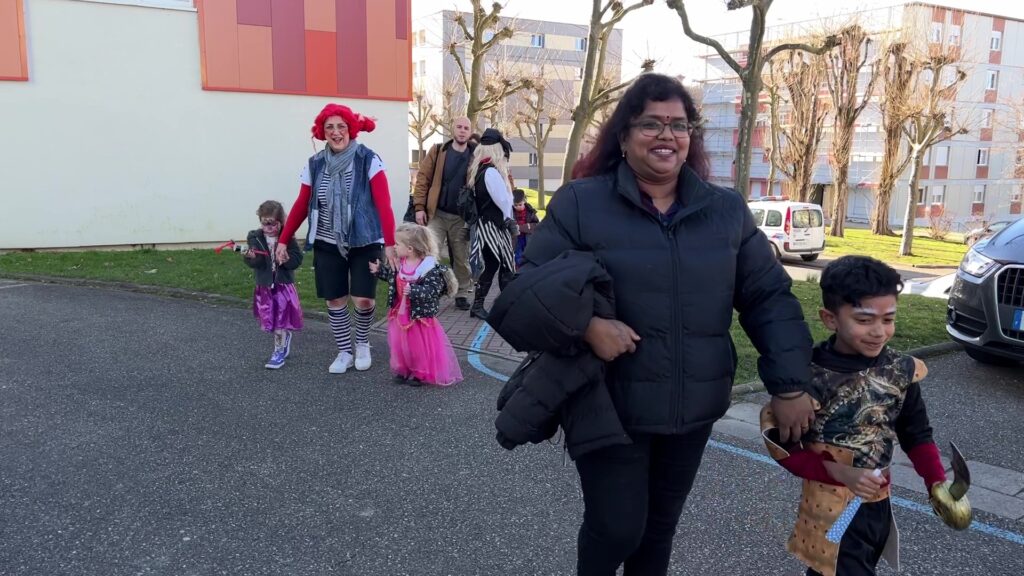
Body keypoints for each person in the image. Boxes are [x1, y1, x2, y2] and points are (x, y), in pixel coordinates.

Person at [505, 73, 815, 576]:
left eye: (679, 124)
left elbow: (768, 298)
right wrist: (587, 326)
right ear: (624, 136)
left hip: (691, 406)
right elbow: (527, 289)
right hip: (607, 402)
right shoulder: (581, 203)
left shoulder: (725, 211)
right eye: (651, 123)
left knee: (658, 531)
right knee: (617, 527)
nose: (667, 135)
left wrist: (790, 384)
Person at [760, 256, 967, 576]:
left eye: (888, 319)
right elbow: (783, 448)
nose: (879, 331)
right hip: (833, 511)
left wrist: (936, 482)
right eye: (865, 320)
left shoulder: (900, 371)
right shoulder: (807, 379)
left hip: (878, 508)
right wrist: (839, 473)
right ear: (830, 318)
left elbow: (916, 433)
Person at [277, 103, 397, 375]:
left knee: (363, 300)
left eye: (341, 126)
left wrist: (390, 243)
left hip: (364, 241)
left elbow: (383, 204)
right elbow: (301, 204)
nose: (336, 132)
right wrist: (284, 239)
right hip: (327, 241)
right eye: (329, 127)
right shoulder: (315, 163)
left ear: (351, 129)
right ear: (322, 131)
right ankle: (344, 350)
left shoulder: (368, 159)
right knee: (335, 299)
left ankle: (363, 342)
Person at [369, 222, 463, 387]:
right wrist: (379, 271)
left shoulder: (430, 268)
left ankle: (420, 372)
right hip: (400, 314)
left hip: (419, 317)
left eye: (397, 244)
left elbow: (432, 290)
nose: (394, 247)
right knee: (401, 345)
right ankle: (404, 369)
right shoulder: (401, 263)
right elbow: (392, 278)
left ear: (410, 248)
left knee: (418, 347)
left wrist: (413, 291)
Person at [413, 116, 476, 311]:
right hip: (437, 214)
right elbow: (423, 178)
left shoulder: (476, 153)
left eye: (466, 128)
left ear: (470, 131)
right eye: (459, 126)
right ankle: (429, 291)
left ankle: (463, 293)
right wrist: (419, 207)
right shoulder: (438, 151)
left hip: (460, 217)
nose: (462, 130)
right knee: (430, 254)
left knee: (461, 257)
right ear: (452, 129)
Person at [244, 200, 304, 369]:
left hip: (283, 286)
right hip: (265, 287)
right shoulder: (255, 237)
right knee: (271, 320)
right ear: (260, 221)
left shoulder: (287, 237)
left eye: (273, 224)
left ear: (281, 222)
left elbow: (297, 260)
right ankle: (283, 340)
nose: (269, 228)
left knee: (280, 321)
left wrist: (286, 260)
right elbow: (255, 263)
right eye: (265, 224)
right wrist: (251, 257)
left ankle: (278, 352)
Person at [466, 127, 517, 321]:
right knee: (497, 263)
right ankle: (483, 306)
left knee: (499, 264)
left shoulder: (480, 169)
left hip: (488, 225)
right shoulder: (491, 173)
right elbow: (504, 201)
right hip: (492, 227)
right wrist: (509, 220)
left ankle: (500, 305)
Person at [511, 188, 540, 269]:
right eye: (515, 205)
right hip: (516, 239)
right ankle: (518, 270)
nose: (518, 207)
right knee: (518, 255)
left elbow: (536, 225)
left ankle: (527, 269)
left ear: (524, 201)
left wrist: (522, 227)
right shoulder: (511, 213)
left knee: (528, 254)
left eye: (520, 205)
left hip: (527, 238)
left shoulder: (530, 212)